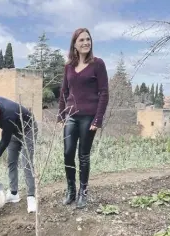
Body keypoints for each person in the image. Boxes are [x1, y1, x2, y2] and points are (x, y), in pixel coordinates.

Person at [57, 28, 109, 209]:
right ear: (75, 44)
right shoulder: (68, 67)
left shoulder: (98, 64)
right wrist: (61, 115)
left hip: (89, 117)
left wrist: (98, 119)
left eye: (88, 39)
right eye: (81, 40)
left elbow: (104, 93)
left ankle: (83, 193)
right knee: (67, 153)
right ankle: (71, 190)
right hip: (71, 117)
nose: (86, 42)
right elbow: (64, 91)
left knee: (83, 155)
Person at [0, 96, 38, 213]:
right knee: (11, 161)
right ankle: (14, 193)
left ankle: (31, 197)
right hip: (14, 131)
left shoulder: (8, 116)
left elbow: (4, 141)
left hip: (28, 130)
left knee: (26, 164)